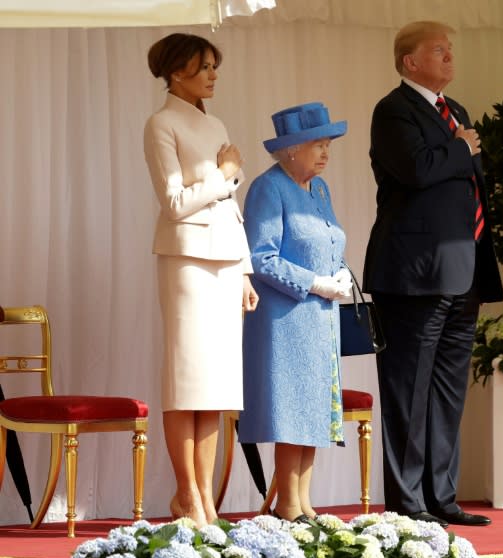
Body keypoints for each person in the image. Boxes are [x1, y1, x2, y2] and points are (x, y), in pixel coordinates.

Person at [362, 21, 503, 527]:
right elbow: (418, 171)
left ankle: (441, 497)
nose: (449, 58)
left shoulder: (457, 112)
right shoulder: (393, 110)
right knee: (408, 389)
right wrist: (461, 146)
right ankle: (408, 502)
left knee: (447, 392)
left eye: (451, 50)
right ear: (410, 62)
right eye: (438, 51)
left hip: (462, 272)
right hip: (413, 276)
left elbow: (469, 191)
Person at [143, 33, 258, 527]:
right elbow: (173, 203)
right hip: (187, 260)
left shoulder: (216, 122)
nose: (213, 74)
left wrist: (246, 269)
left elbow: (229, 206)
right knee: (186, 380)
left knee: (216, 387)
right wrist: (225, 172)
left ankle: (205, 498)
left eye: (215, 65)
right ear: (175, 72)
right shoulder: (161, 124)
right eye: (204, 66)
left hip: (226, 260)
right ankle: (187, 494)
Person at [238, 102, 352, 523]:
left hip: (321, 318)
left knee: (317, 408)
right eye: (316, 145)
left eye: (327, 145)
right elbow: (260, 257)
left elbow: (330, 241)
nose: (325, 153)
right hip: (284, 319)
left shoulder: (318, 190)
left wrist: (339, 273)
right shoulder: (268, 188)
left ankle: (304, 501)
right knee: (292, 408)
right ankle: (288, 503)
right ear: (289, 150)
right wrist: (314, 283)